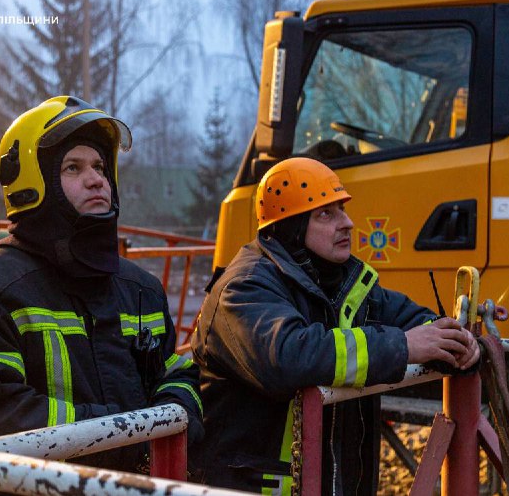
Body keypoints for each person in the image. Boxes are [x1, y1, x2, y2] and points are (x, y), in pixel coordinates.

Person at [0, 96, 203, 481]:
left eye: (99, 166)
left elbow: (178, 375)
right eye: (72, 168)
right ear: (31, 184)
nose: (96, 179)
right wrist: (130, 435)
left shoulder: (140, 288)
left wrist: (174, 416)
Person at [189, 157, 479, 494]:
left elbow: (409, 318)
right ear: (290, 226)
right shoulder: (244, 287)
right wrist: (405, 345)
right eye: (326, 214)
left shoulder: (345, 283)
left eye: (342, 209)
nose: (348, 224)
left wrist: (453, 340)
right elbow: (290, 355)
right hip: (247, 486)